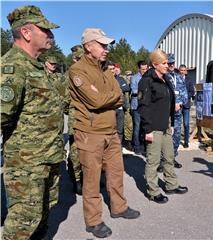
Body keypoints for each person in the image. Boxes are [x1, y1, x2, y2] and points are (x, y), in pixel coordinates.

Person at [68, 28, 140, 238]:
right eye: (102, 44)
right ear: (88, 46)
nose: (106, 49)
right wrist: (105, 97)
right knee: (91, 179)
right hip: (90, 133)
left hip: (110, 132)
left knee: (116, 174)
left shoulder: (106, 70)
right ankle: (93, 221)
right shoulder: (77, 70)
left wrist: (104, 96)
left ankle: (119, 208)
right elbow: (95, 101)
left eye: (107, 45)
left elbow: (119, 96)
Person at [1, 5, 63, 239]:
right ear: (26, 33)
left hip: (46, 159)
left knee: (40, 219)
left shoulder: (36, 66)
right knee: (22, 225)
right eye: (45, 30)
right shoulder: (13, 67)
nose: (51, 35)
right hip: (27, 166)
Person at [138, 49, 188, 204]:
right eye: (164, 63)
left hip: (166, 125)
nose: (168, 66)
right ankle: (153, 191)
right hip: (153, 127)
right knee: (153, 161)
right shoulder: (147, 81)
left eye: (168, 63)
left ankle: (171, 185)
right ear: (155, 64)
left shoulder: (165, 79)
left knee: (169, 157)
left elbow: (170, 103)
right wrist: (147, 130)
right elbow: (143, 106)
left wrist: (172, 123)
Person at [66, 44, 85, 195]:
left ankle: (88, 178)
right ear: (74, 58)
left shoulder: (89, 72)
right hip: (76, 117)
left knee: (90, 151)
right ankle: (77, 180)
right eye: (79, 58)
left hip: (90, 118)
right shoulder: (69, 75)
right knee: (76, 151)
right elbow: (63, 99)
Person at [166, 54, 188, 168]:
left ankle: (172, 158)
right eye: (169, 63)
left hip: (177, 112)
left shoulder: (179, 77)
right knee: (165, 136)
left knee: (177, 136)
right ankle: (161, 161)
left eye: (172, 63)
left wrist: (180, 103)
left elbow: (185, 93)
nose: (171, 65)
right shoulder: (163, 77)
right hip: (166, 113)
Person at [109, 63, 131, 144]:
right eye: (110, 69)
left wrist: (116, 88)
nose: (112, 71)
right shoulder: (105, 79)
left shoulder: (120, 78)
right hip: (110, 109)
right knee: (110, 130)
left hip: (120, 109)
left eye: (113, 69)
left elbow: (127, 88)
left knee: (120, 130)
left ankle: (118, 148)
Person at [130, 60, 148, 154]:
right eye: (142, 69)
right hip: (136, 106)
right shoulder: (134, 78)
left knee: (144, 127)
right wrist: (145, 91)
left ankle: (144, 146)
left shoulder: (149, 77)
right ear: (139, 69)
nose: (144, 71)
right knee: (137, 127)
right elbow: (134, 91)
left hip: (146, 106)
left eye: (146, 69)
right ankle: (136, 146)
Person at [179, 64, 196, 148]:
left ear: (186, 71)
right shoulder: (176, 79)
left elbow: (192, 92)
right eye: (181, 70)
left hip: (186, 105)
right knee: (177, 124)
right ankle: (176, 140)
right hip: (178, 105)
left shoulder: (189, 80)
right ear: (179, 71)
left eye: (183, 70)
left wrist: (185, 96)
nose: (182, 72)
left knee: (186, 124)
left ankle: (186, 141)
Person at [123, 70, 134, 150]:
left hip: (133, 106)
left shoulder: (133, 83)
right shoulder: (124, 83)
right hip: (127, 107)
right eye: (128, 75)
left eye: (130, 74)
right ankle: (128, 141)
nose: (129, 76)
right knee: (128, 124)